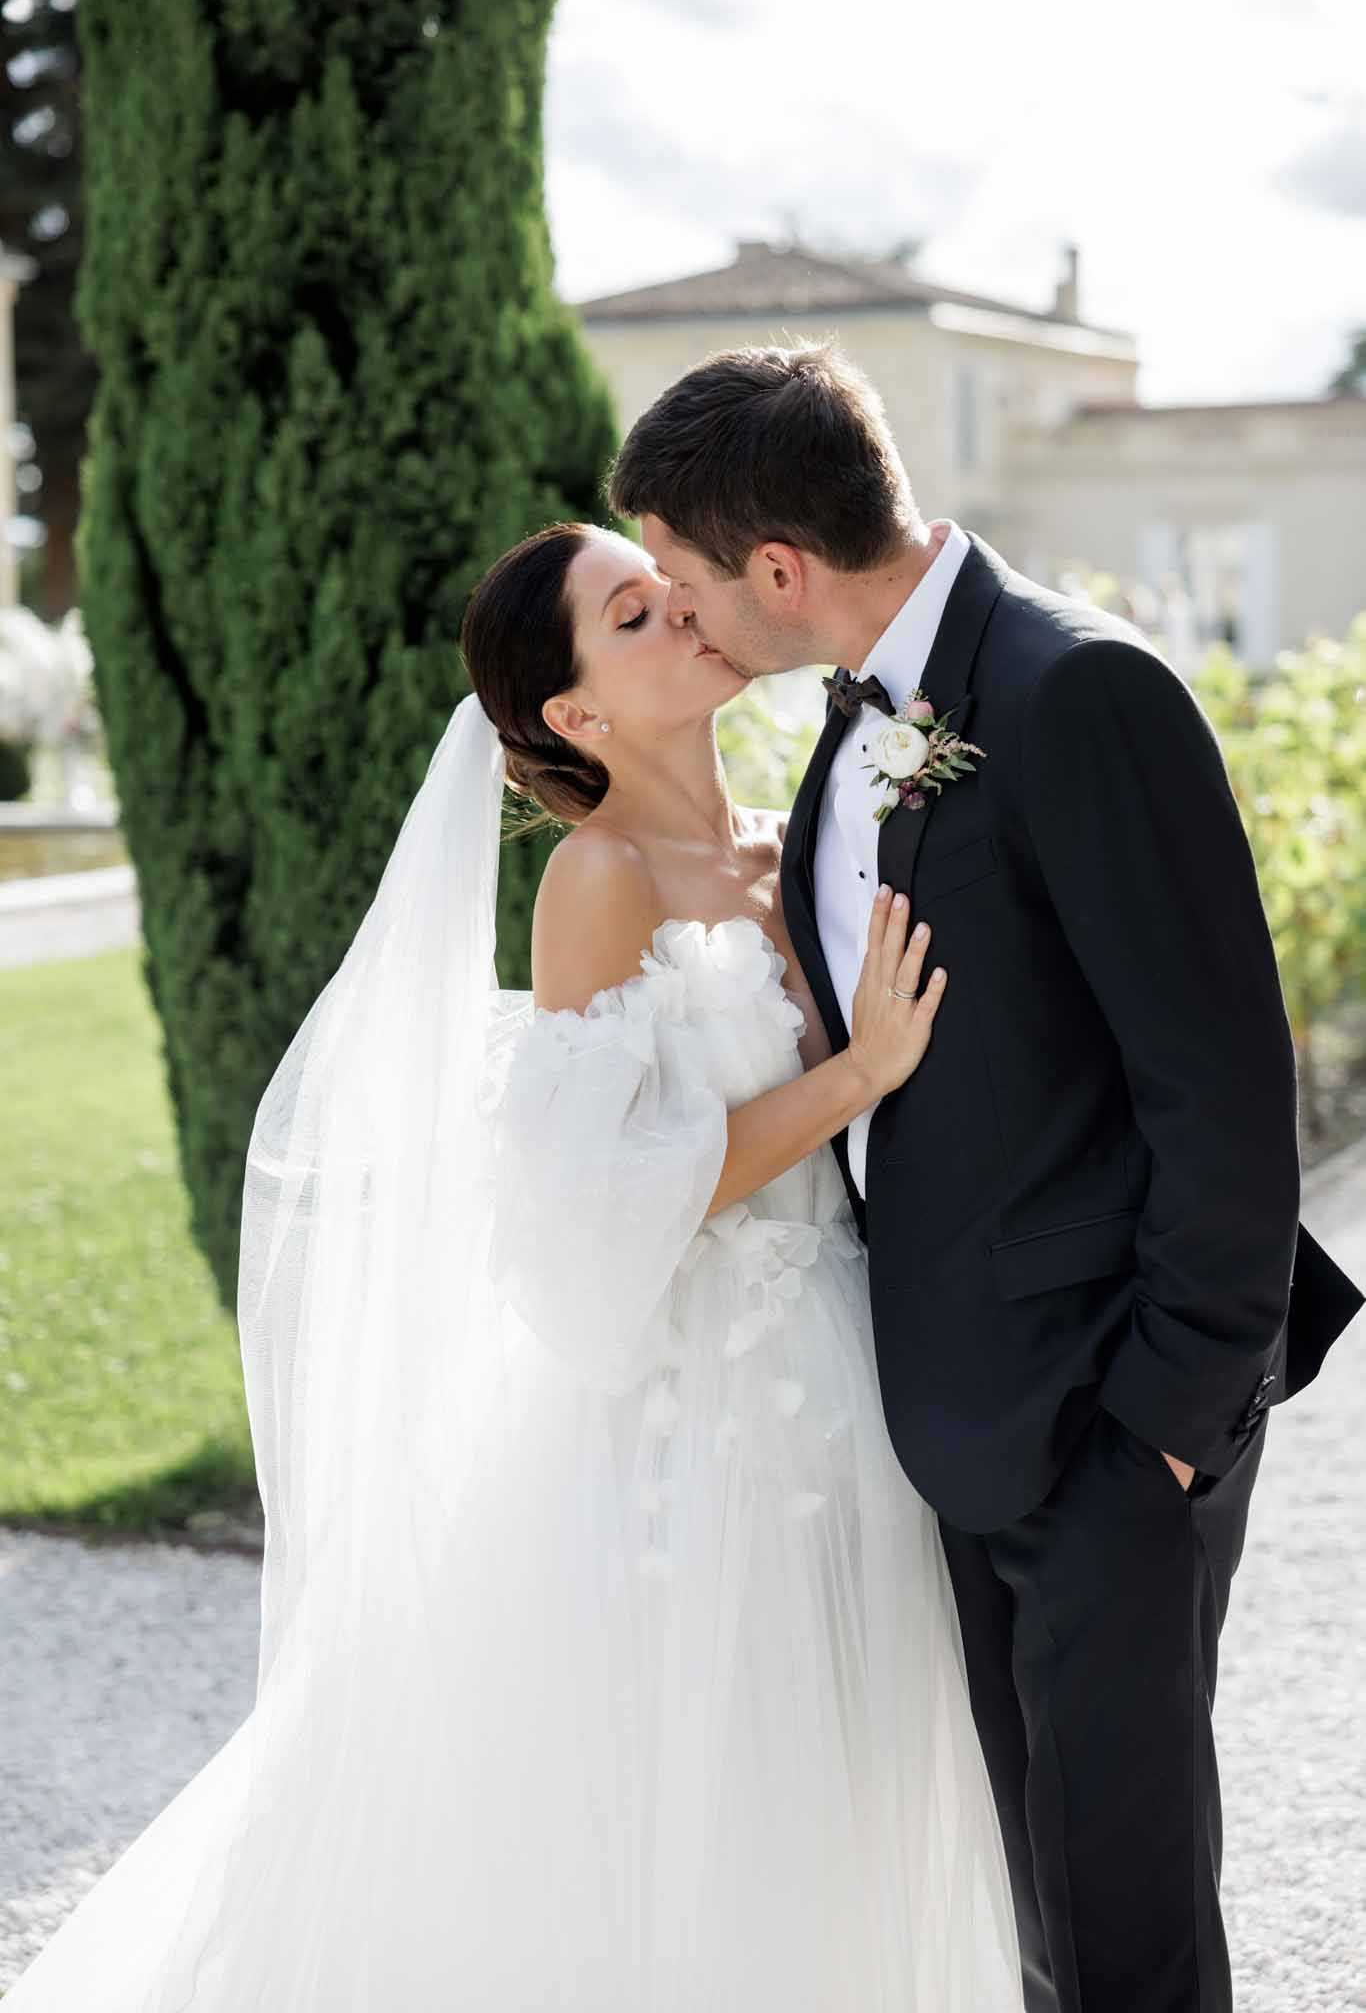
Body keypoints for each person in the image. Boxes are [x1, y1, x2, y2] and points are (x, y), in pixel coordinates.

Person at [2, 520, 1025, 2011]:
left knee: (855, 1773)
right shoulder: (598, 882)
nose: (682, 610)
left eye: (671, 590)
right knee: (691, 1795)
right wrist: (854, 1074)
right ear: (575, 715)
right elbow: (604, 1201)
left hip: (849, 1367)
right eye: (633, 612)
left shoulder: (799, 834)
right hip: (692, 1424)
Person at [605, 338, 1365, 2013]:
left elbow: (1225, 1090)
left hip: (1105, 1420)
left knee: (1122, 1932)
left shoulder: (1077, 690)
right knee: (1034, 1907)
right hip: (955, 1415)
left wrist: (1160, 1432)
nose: (684, 616)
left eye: (682, 579)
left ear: (780, 570)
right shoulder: (856, 716)